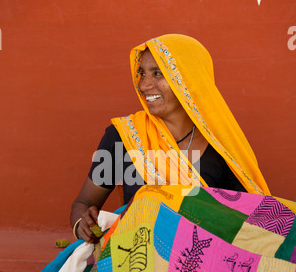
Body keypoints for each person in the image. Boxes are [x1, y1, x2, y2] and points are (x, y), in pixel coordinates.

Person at [70, 34, 270, 243]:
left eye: (157, 73)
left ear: (188, 79)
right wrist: (82, 225)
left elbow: (252, 223)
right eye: (141, 73)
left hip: (200, 263)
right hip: (135, 260)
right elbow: (82, 203)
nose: (144, 85)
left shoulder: (222, 146)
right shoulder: (123, 136)